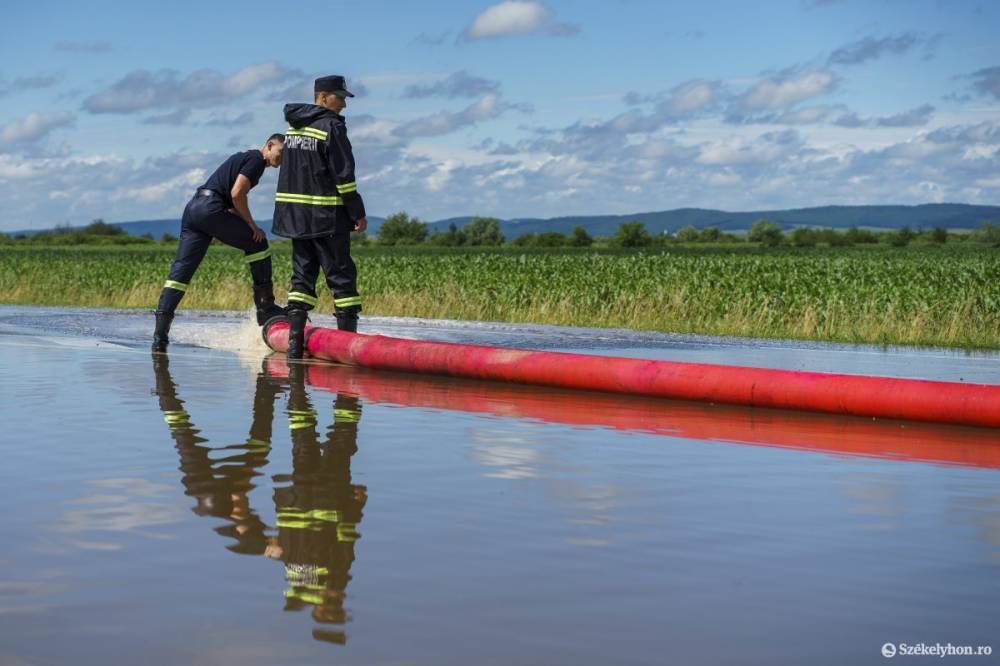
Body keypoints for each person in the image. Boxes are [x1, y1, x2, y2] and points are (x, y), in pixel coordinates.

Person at [152, 134, 287, 352]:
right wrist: (252, 227)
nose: (282, 160)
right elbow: (237, 194)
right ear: (269, 145)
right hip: (211, 209)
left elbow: (231, 199)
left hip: (194, 209)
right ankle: (266, 308)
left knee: (180, 275)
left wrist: (241, 221)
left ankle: (160, 338)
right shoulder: (256, 161)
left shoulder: (244, 158)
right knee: (258, 244)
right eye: (281, 153)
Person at [272, 75, 368, 359]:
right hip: (327, 217)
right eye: (340, 98)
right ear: (323, 96)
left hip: (297, 219)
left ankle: (293, 347)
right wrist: (357, 213)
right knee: (342, 279)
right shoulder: (331, 127)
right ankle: (348, 347)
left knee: (301, 280)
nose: (343, 105)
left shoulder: (292, 129)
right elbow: (344, 176)